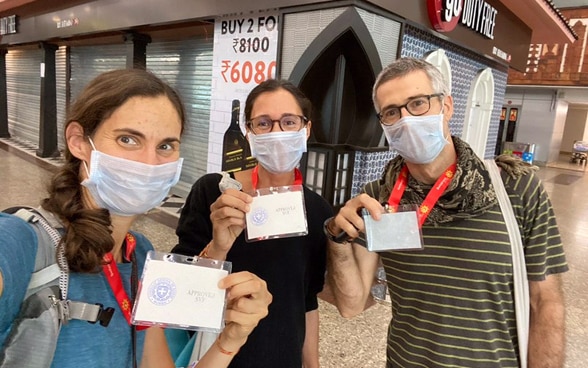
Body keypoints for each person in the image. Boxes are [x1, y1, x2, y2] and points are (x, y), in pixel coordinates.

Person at [0, 69, 272, 368]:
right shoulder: (21, 241)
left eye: (165, 146)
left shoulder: (140, 256)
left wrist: (230, 339)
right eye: (128, 139)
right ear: (79, 142)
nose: (149, 162)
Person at [325, 58, 568, 367]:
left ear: (447, 106)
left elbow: (546, 303)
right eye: (391, 112)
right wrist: (337, 238)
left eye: (417, 103)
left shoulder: (515, 189)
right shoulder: (379, 199)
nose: (405, 119)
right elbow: (351, 304)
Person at [173, 79, 333, 368]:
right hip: (216, 356)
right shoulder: (215, 192)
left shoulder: (318, 211)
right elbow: (178, 293)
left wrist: (312, 365)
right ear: (249, 133)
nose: (277, 133)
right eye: (263, 124)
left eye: (288, 122)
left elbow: (307, 301)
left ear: (306, 129)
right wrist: (218, 248)